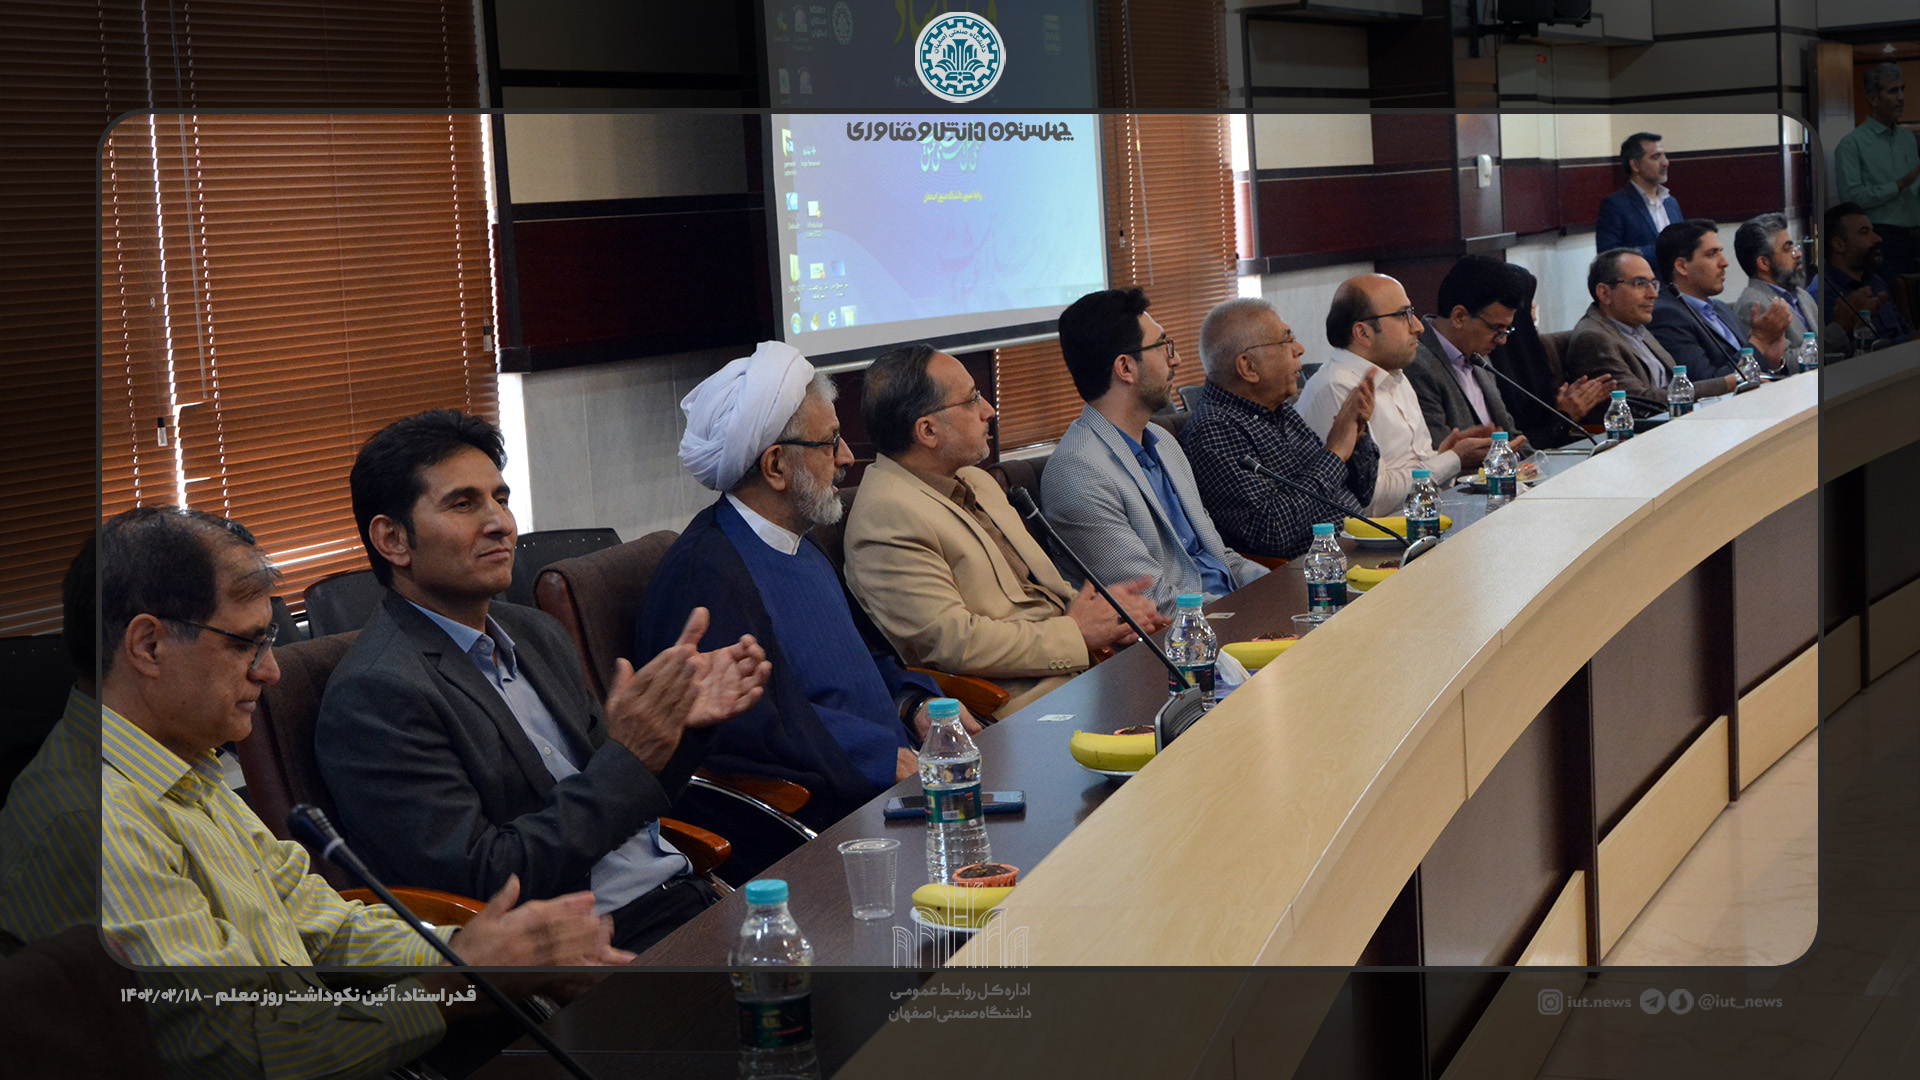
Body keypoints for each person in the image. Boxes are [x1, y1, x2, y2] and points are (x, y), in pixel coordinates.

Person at [0, 508, 628, 1079]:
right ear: (149, 645)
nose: (270, 671)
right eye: (245, 643)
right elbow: (245, 1056)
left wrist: (483, 953)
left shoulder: (179, 764)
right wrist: (457, 984)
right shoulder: (92, 824)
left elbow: (325, 927)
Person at [317, 410, 770, 953]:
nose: (500, 524)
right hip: (594, 947)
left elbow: (622, 799)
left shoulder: (535, 633)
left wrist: (678, 730)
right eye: (463, 504)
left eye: (501, 499)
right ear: (393, 539)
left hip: (684, 894)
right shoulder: (375, 695)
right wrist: (631, 755)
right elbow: (485, 880)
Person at [639, 342, 973, 835]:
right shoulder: (708, 573)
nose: (847, 457)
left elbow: (868, 659)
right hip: (822, 817)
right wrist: (879, 756)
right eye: (830, 442)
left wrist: (914, 704)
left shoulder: (802, 542)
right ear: (775, 466)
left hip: (897, 781)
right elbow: (747, 727)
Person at [845, 344, 1166, 716]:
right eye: (972, 400)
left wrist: (1113, 615)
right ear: (928, 431)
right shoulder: (886, 515)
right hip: (1025, 699)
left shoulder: (975, 480)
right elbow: (953, 642)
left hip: (1084, 667)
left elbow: (1042, 589)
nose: (989, 411)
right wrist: (1076, 633)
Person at [1040, 287, 1268, 616]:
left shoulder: (1163, 441)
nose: (1175, 359)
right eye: (1162, 346)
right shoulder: (1078, 472)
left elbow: (1219, 558)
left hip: (1233, 611)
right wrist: (1256, 612)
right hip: (1186, 635)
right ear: (1125, 368)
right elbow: (1154, 602)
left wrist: (1284, 587)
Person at [1177, 297, 1380, 562]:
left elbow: (1362, 493)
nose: (1300, 349)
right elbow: (1270, 533)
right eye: (1287, 341)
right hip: (1306, 574)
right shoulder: (1214, 430)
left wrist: (1356, 437)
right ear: (1248, 367)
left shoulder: (1279, 410)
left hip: (1357, 552)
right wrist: (1335, 453)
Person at [1298, 274, 1492, 517]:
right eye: (1403, 315)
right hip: (1380, 537)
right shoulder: (1337, 388)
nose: (1418, 327)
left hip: (1424, 518)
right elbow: (1371, 503)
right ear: (1363, 333)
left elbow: (1417, 470)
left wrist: (1442, 456)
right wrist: (1453, 460)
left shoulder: (1395, 375)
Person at [1563, 248, 1738, 416]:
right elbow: (1640, 403)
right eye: (1639, 284)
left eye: (1653, 284)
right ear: (1605, 293)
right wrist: (1726, 384)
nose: (1653, 294)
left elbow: (1675, 383)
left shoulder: (1636, 327)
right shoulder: (1594, 338)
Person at [1404, 255, 1529, 448]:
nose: (1502, 340)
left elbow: (1511, 435)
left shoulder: (1479, 355)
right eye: (1496, 328)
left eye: (1506, 330)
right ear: (1459, 317)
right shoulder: (1417, 366)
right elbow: (1441, 452)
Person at [1487, 264, 1616, 449]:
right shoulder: (1486, 362)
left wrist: (1563, 408)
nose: (1533, 308)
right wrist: (1564, 416)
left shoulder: (1528, 348)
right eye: (1526, 303)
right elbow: (1523, 443)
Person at [1647, 218, 1791, 382]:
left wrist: (1772, 362)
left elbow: (1754, 373)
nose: (1724, 262)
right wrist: (1760, 340)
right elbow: (1707, 383)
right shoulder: (1666, 315)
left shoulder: (1721, 309)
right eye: (1712, 254)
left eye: (1720, 252)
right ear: (1682, 266)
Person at [1835, 62, 1919, 280]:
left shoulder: (1908, 138)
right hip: (1882, 239)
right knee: (1889, 297)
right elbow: (1852, 198)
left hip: (1916, 237)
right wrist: (1898, 186)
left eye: (1902, 89)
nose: (1901, 97)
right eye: (1893, 91)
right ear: (1873, 99)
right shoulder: (1852, 144)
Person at [1817, 201, 1915, 350]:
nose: (1878, 238)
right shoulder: (1824, 292)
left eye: (1873, 231)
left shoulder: (1875, 281)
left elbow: (1905, 332)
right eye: (1864, 232)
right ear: (1839, 245)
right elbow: (1843, 352)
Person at [1730, 213, 1820, 345]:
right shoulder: (1753, 306)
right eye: (1787, 249)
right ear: (1764, 263)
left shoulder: (1802, 295)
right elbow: (1783, 357)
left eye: (1794, 248)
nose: (1798, 254)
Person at [1596, 132, 1682, 263]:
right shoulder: (1615, 205)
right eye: (1656, 157)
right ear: (1635, 165)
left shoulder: (1671, 202)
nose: (1665, 163)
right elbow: (1608, 258)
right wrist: (1663, 250)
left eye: (1664, 155)